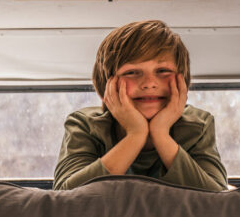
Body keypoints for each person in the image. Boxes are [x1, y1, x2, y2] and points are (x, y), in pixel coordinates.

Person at [53, 20, 228, 191]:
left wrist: (160, 134)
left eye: (162, 71)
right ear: (107, 83)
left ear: (182, 80)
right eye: (131, 72)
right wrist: (136, 135)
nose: (149, 83)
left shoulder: (199, 124)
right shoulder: (84, 124)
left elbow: (218, 199)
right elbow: (64, 197)